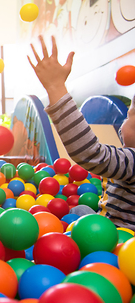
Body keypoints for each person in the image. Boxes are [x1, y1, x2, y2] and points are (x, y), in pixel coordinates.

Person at [28, 35, 135, 230]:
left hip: (118, 240)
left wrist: (55, 87)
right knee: (80, 210)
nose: (122, 125)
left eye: (129, 117)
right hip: (108, 227)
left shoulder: (132, 161)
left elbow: (90, 153)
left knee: (76, 214)